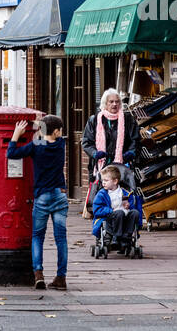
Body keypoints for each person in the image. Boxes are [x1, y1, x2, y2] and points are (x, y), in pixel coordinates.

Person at [8, 115, 69, 290]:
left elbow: (11, 154)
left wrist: (15, 135)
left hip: (42, 197)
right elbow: (48, 137)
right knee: (61, 239)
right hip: (59, 196)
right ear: (57, 132)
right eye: (60, 130)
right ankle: (61, 277)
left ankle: (38, 274)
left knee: (37, 237)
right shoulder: (61, 145)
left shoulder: (36, 146)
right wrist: (42, 125)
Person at [81, 88, 137, 216]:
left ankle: (122, 218)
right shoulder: (95, 120)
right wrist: (95, 153)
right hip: (102, 165)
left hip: (122, 164)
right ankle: (103, 220)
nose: (114, 104)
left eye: (117, 102)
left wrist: (131, 152)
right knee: (103, 194)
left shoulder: (128, 119)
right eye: (111, 102)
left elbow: (135, 139)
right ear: (105, 104)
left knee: (123, 194)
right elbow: (86, 142)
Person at [90, 163, 144, 246]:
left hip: (125, 219)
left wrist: (128, 206)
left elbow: (132, 206)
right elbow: (97, 210)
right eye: (103, 180)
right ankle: (117, 236)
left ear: (115, 181)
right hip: (110, 218)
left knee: (135, 212)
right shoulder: (102, 194)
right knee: (119, 213)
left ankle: (127, 236)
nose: (103, 183)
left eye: (106, 180)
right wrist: (111, 210)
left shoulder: (125, 193)